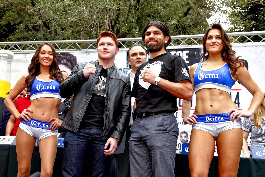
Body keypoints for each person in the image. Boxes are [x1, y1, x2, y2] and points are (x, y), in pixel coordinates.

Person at [182, 24, 263, 177]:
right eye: (210, 38)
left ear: (223, 42)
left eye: (218, 37)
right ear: (205, 42)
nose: (213, 41)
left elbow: (258, 92)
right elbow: (187, 94)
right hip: (202, 123)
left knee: (227, 175)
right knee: (198, 174)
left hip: (228, 123)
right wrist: (185, 116)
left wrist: (248, 112)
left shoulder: (234, 67)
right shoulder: (194, 68)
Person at [59, 31, 131, 177]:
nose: (105, 47)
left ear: (116, 50)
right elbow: (63, 92)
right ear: (97, 48)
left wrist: (116, 137)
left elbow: (125, 111)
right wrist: (82, 75)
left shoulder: (123, 78)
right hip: (76, 131)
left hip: (103, 135)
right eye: (101, 44)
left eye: (109, 44)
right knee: (70, 175)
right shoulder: (81, 67)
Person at [129, 21, 193, 177]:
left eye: (156, 33)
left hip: (162, 122)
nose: (151, 36)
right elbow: (135, 100)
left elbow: (187, 92)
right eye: (148, 34)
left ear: (166, 39)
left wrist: (157, 80)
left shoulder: (174, 60)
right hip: (138, 125)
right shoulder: (141, 68)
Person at [4, 43, 68, 177]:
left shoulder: (62, 77)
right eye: (43, 53)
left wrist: (64, 121)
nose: (47, 56)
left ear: (54, 58)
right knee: (23, 170)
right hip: (27, 126)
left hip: (49, 129)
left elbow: (77, 99)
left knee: (47, 172)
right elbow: (8, 99)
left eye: (50, 53)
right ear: (37, 57)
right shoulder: (28, 78)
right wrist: (18, 114)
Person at [112, 44, 147, 177]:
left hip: (147, 131)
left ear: (146, 58)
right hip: (124, 133)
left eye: (141, 54)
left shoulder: (156, 79)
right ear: (128, 60)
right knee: (122, 172)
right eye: (134, 55)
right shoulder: (120, 80)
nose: (138, 57)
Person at [242, 91, 265, 158]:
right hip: (257, 154)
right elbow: (243, 137)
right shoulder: (251, 117)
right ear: (261, 99)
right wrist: (246, 153)